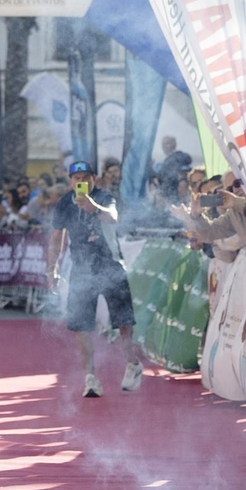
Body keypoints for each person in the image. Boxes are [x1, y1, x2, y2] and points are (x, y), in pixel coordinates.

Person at [47, 160, 148, 400]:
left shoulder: (104, 197)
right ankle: (90, 377)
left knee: (124, 321)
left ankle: (132, 362)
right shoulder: (65, 203)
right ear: (70, 181)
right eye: (77, 178)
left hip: (110, 266)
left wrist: (94, 207)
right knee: (80, 324)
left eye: (86, 177)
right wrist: (52, 268)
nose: (81, 181)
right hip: (81, 269)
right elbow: (56, 237)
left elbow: (113, 217)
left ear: (94, 178)